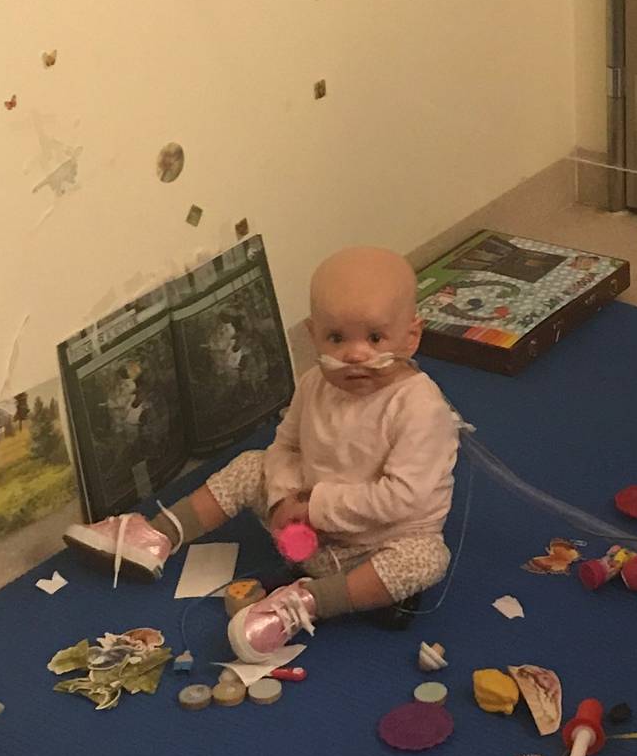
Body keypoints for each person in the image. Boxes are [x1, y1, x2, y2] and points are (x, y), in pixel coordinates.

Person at [64, 247, 458, 658]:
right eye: (336, 338)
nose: (355, 354)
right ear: (312, 335)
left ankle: (305, 604)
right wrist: (284, 497)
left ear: (411, 337)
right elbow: (285, 445)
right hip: (305, 536)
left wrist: (312, 506)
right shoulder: (313, 385)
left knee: (428, 556)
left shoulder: (419, 407)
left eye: (375, 338)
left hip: (376, 548)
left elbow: (403, 496)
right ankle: (158, 533)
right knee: (253, 465)